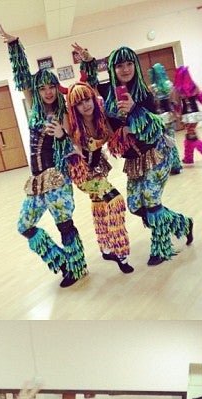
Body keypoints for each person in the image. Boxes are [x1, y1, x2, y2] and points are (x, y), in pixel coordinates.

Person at [78, 45, 193, 265]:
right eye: (120, 65)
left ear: (136, 65)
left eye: (129, 63)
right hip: (133, 160)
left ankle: (160, 249)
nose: (125, 69)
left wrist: (134, 109)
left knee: (152, 202)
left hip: (156, 153)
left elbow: (155, 127)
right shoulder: (107, 91)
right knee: (135, 206)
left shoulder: (144, 95)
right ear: (113, 69)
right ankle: (182, 223)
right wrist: (88, 60)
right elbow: (90, 82)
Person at [0, 25, 87, 288]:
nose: (48, 92)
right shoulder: (33, 107)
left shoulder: (65, 113)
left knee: (65, 226)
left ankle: (77, 267)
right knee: (24, 226)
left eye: (51, 87)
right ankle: (63, 262)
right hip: (36, 180)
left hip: (58, 178)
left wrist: (62, 134)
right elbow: (22, 76)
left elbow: (76, 146)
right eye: (43, 88)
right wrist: (14, 45)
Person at [65, 79, 134, 274]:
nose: (85, 105)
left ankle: (105, 248)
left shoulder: (102, 118)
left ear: (93, 99)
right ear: (74, 107)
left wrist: (127, 127)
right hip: (83, 175)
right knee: (115, 201)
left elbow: (116, 134)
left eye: (87, 99)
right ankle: (120, 251)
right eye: (79, 103)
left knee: (98, 204)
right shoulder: (73, 127)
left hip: (97, 169)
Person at [148, 63, 182, 174]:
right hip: (170, 116)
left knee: (162, 143)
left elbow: (152, 104)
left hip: (159, 118)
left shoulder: (152, 88)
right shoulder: (169, 85)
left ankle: (167, 166)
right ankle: (176, 165)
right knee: (171, 141)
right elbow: (174, 102)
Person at [173, 66, 202, 165]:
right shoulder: (193, 86)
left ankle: (189, 158)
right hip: (196, 114)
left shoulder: (178, 89)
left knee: (192, 136)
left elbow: (177, 104)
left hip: (187, 116)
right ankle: (188, 158)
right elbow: (201, 98)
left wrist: (177, 115)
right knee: (190, 135)